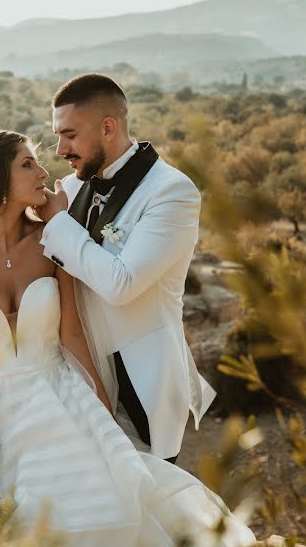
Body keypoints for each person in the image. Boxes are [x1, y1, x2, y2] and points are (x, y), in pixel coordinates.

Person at [0, 126, 255, 546]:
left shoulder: (51, 242)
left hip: (60, 400)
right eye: (28, 164)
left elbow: (72, 333)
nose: (44, 171)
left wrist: (101, 407)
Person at [37, 73, 216, 463]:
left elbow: (122, 284)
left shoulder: (171, 192)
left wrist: (58, 224)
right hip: (78, 382)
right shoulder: (68, 190)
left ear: (107, 127)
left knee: (152, 505)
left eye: (69, 135)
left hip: (141, 382)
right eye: (57, 135)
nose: (60, 149)